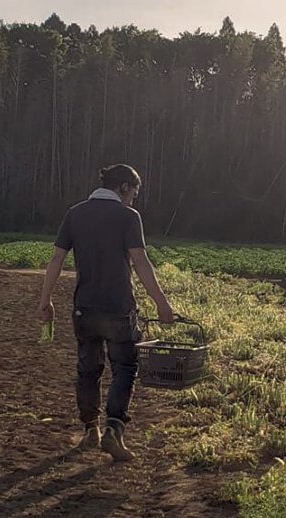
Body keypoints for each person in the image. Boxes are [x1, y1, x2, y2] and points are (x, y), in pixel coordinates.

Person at [37, 163, 174, 462]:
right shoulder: (128, 217)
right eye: (133, 193)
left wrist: (45, 300)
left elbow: (57, 258)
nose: (133, 199)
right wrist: (162, 303)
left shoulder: (75, 213)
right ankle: (113, 429)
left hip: (83, 308)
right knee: (124, 367)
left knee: (88, 369)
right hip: (118, 307)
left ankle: (90, 429)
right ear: (124, 186)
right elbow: (140, 262)